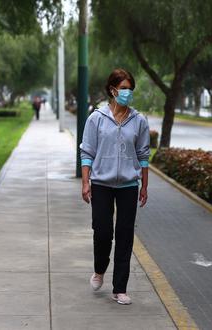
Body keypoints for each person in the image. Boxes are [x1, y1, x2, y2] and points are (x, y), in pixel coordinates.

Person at [79, 68, 150, 305]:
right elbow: (87, 151)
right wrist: (85, 182)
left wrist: (144, 186)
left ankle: (120, 288)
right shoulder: (96, 118)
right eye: (123, 88)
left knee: (125, 235)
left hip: (129, 184)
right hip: (101, 183)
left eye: (130, 89)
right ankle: (99, 269)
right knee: (102, 231)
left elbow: (143, 154)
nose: (128, 93)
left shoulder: (138, 120)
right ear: (112, 90)